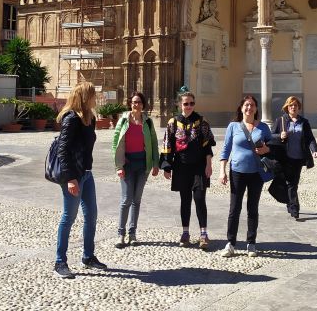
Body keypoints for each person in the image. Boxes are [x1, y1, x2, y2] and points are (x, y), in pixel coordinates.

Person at [53, 82, 107, 279]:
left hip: (87, 173)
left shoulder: (89, 118)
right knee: (69, 217)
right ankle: (60, 261)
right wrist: (70, 179)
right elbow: (63, 150)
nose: (97, 98)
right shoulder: (71, 119)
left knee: (91, 215)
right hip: (73, 176)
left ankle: (88, 256)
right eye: (94, 94)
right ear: (85, 97)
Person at [160, 91, 216, 250]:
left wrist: (209, 164)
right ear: (179, 105)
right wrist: (166, 166)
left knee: (199, 198)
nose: (189, 106)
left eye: (192, 103)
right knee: (185, 200)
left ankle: (203, 233)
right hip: (181, 166)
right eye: (186, 103)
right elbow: (167, 145)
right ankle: (185, 232)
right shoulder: (173, 122)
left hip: (199, 166)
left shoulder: (202, 121)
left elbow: (207, 146)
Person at [219, 95, 272, 257]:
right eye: (246, 105)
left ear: (256, 109)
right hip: (237, 172)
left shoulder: (263, 127)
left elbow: (272, 146)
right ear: (241, 108)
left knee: (252, 208)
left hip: (256, 172)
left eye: (252, 105)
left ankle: (251, 243)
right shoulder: (233, 126)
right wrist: (222, 170)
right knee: (234, 209)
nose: (249, 108)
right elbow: (226, 149)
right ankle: (230, 243)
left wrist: (266, 150)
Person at [111, 91, 160, 248]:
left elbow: (153, 143)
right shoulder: (123, 120)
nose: (135, 104)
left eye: (138, 102)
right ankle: (121, 234)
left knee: (136, 200)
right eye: (133, 102)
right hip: (127, 164)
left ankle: (132, 234)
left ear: (143, 104)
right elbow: (115, 143)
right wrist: (119, 166)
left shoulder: (148, 122)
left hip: (143, 165)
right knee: (126, 200)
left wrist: (155, 163)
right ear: (130, 104)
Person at [271, 96, 317, 220]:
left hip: (298, 157)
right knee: (287, 183)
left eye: (295, 105)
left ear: (299, 108)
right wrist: (279, 136)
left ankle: (292, 205)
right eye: (291, 105)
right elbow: (270, 137)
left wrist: (314, 150)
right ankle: (292, 205)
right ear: (287, 107)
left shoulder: (304, 122)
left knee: (293, 183)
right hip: (284, 157)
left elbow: (310, 138)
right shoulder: (280, 120)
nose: (293, 107)